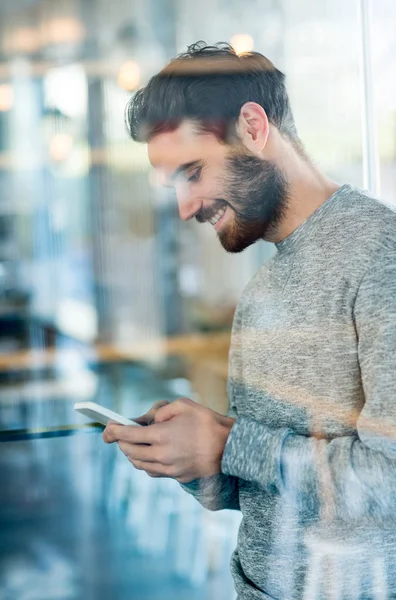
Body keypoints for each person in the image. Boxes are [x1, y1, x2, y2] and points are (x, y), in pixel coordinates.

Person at [103, 41, 396, 599]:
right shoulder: (263, 287)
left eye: (193, 172)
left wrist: (231, 444)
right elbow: (265, 487)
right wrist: (192, 459)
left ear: (254, 127)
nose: (186, 208)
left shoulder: (383, 253)